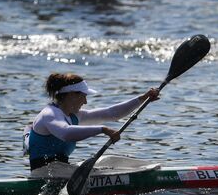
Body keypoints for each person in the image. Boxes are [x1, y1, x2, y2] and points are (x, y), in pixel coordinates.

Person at [24, 72, 159, 171]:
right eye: (84, 96)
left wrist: (143, 98)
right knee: (101, 171)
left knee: (109, 160)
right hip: (44, 172)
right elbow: (65, 133)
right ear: (71, 95)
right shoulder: (49, 114)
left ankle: (148, 171)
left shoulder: (74, 116)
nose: (86, 101)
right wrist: (102, 129)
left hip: (61, 169)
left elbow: (111, 113)